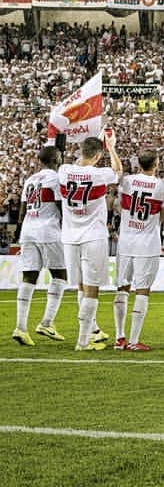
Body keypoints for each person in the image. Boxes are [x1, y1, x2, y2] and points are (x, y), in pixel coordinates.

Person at [60, 131, 123, 352]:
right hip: (93, 237)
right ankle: (83, 340)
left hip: (69, 237)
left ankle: (91, 332)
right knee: (92, 289)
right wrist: (112, 147)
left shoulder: (64, 171)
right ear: (98, 156)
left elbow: (78, 165)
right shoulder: (100, 175)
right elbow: (118, 171)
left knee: (80, 286)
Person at [114, 149, 164, 352]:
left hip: (126, 240)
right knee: (142, 289)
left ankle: (119, 337)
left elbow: (119, 206)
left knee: (122, 287)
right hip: (147, 242)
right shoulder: (161, 186)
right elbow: (163, 217)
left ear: (138, 164)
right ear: (155, 165)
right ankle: (135, 340)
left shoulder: (127, 181)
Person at [12, 145, 67, 345]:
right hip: (48, 230)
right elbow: (62, 206)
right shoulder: (56, 179)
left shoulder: (30, 180)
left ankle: (20, 327)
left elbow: (22, 209)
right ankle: (47, 322)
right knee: (60, 275)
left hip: (28, 229)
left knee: (29, 277)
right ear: (55, 159)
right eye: (60, 156)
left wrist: (19, 233)